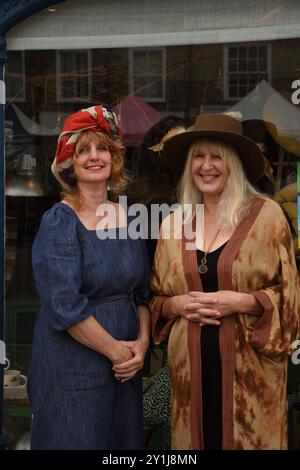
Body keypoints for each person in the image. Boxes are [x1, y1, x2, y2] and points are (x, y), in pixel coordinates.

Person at [149, 113, 300, 450]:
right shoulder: (172, 226)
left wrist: (242, 301)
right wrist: (177, 304)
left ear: (233, 163)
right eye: (198, 157)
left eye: (217, 156)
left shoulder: (267, 217)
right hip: (191, 385)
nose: (207, 166)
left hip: (252, 386)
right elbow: (157, 300)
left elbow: (291, 299)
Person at [28, 105, 150, 450]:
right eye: (84, 150)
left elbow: (142, 294)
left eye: (103, 149)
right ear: (71, 164)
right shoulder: (59, 221)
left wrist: (141, 345)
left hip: (126, 369)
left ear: (114, 160)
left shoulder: (128, 218)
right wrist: (116, 352)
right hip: (72, 368)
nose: (95, 157)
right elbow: (64, 306)